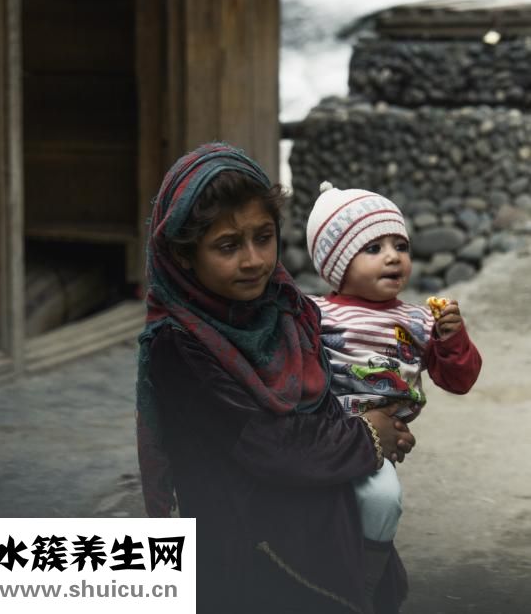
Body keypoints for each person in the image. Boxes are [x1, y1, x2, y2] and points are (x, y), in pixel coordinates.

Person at [136, 142, 417, 614]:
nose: (253, 261)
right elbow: (267, 444)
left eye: (263, 237)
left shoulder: (289, 308)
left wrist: (378, 423)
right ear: (183, 254)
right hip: (250, 556)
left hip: (327, 527)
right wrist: (369, 436)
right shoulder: (179, 346)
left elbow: (330, 396)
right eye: (228, 245)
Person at [306, 183, 482, 565]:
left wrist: (452, 338)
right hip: (325, 435)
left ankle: (370, 575)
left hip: (378, 448)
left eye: (400, 246)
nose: (392, 257)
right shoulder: (316, 315)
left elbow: (459, 380)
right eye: (373, 248)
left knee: (382, 499)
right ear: (337, 263)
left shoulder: (419, 320)